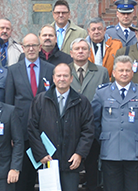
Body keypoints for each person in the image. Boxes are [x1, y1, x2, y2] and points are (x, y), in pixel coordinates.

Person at [92, 55, 138, 191]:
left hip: (135, 152)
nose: (124, 74)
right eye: (121, 70)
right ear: (114, 73)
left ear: (133, 72)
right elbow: (95, 123)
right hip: (110, 151)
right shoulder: (102, 92)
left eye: (127, 70)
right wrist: (103, 140)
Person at [28, 63, 94, 191]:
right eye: (58, 75)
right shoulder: (40, 100)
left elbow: (88, 130)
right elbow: (32, 128)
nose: (62, 78)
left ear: (71, 78)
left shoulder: (82, 101)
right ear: (53, 78)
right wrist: (41, 153)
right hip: (48, 161)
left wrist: (80, 153)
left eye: (65, 75)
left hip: (71, 161)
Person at [4, 33, 55, 191]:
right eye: (27, 46)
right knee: (24, 179)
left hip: (46, 134)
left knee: (46, 181)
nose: (31, 49)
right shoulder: (12, 70)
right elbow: (8, 104)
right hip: (22, 133)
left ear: (40, 48)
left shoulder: (50, 69)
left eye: (34, 45)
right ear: (22, 48)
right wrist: (10, 133)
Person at [68, 38, 108, 191]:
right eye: (77, 49)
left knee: (92, 171)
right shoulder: (64, 70)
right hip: (70, 129)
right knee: (71, 171)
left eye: (84, 48)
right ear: (71, 53)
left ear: (89, 52)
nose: (80, 51)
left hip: (93, 129)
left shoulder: (101, 71)